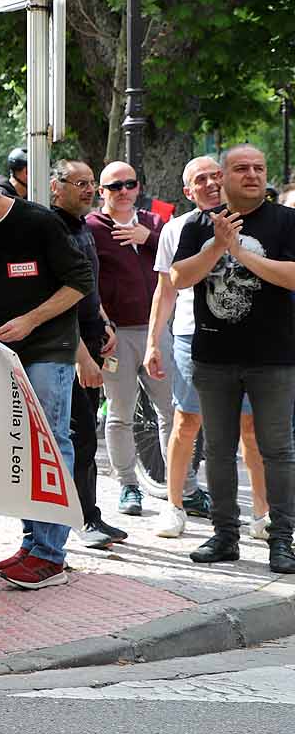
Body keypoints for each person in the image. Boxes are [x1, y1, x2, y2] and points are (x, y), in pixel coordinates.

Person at [0, 151, 93, 589]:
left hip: (50, 345)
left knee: (51, 442)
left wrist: (30, 319)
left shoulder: (39, 222)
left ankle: (51, 555)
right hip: (7, 352)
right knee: (22, 445)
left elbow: (79, 282)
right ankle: (32, 542)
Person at [169, 145, 295, 575]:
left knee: (277, 450)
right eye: (242, 168)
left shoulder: (286, 221)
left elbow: (293, 275)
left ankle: (282, 540)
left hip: (273, 356)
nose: (253, 175)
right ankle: (225, 536)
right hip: (214, 356)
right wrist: (216, 247)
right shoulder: (199, 223)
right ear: (223, 176)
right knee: (219, 451)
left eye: (259, 168)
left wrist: (240, 254)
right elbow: (179, 278)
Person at [145, 156, 252, 538]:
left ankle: (262, 515)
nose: (209, 183)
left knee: (250, 429)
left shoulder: (253, 219)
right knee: (187, 422)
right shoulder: (177, 229)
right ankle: (174, 506)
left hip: (249, 339)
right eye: (199, 180)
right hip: (193, 337)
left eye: (215, 176)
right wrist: (153, 343)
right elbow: (166, 289)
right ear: (188, 191)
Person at [47, 159, 128, 549]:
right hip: (66, 346)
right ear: (55, 186)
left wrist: (105, 323)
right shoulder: (50, 229)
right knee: (74, 435)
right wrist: (82, 355)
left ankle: (89, 513)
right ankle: (75, 520)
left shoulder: (84, 227)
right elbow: (57, 298)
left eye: (91, 182)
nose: (88, 189)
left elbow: (87, 287)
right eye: (79, 182)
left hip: (92, 339)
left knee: (86, 435)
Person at [86, 161, 173, 516]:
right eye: (114, 186)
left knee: (172, 412)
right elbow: (85, 280)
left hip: (157, 332)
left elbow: (180, 261)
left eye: (130, 184)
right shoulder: (91, 227)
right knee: (119, 415)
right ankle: (128, 485)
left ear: (138, 187)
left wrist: (147, 239)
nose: (123, 191)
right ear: (101, 192)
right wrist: (101, 323)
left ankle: (181, 486)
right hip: (117, 335)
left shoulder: (155, 224)